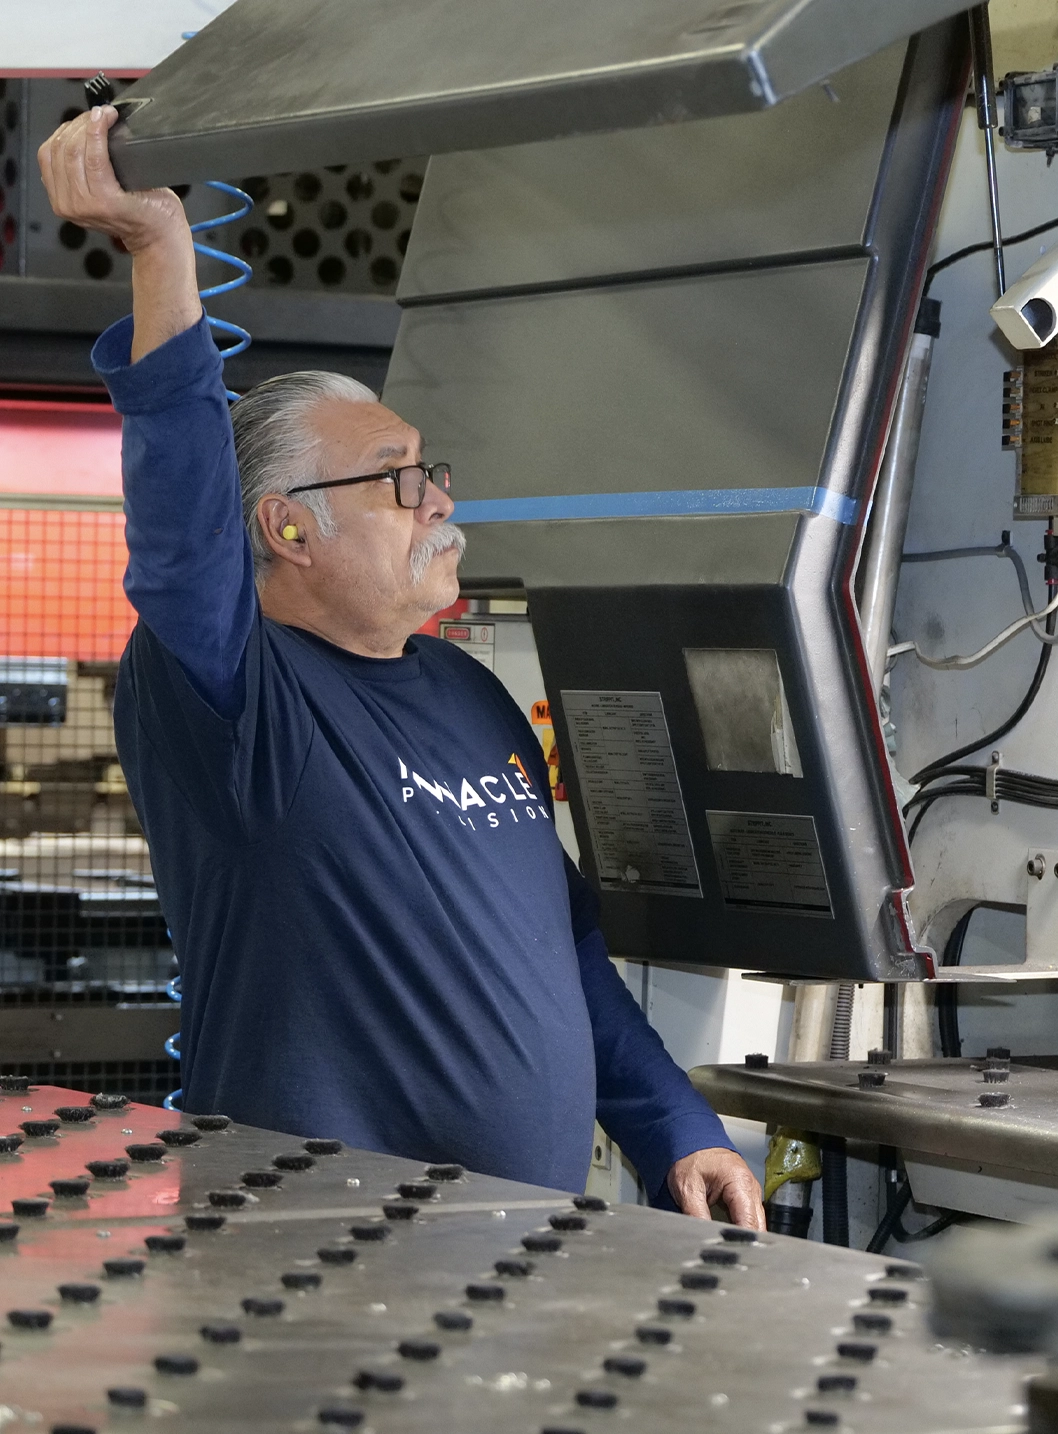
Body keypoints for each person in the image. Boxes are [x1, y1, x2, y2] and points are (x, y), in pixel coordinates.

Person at [39, 106, 765, 1226]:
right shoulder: (238, 703)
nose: (441, 500)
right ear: (286, 530)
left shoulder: (468, 696)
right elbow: (184, 537)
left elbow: (562, 955)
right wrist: (158, 252)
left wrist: (671, 1124)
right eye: (397, 478)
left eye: (435, 469)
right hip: (308, 1267)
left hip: (517, 1252)